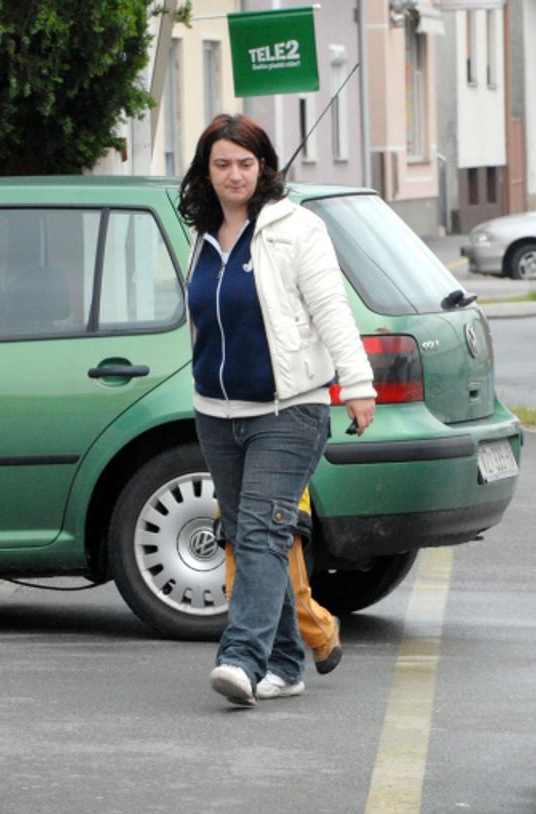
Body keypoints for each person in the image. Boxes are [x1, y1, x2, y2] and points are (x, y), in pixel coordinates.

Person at [178, 114, 375, 707]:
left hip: (289, 409)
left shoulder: (297, 229)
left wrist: (357, 383)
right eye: (222, 164)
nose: (234, 174)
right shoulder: (205, 233)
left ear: (263, 167)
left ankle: (241, 657)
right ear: (205, 171)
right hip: (216, 412)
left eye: (246, 162)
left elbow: (332, 311)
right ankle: (287, 663)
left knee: (262, 535)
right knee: (245, 536)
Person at [221, 489, 342, 676]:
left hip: (281, 507)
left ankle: (321, 632)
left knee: (293, 593)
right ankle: (247, 661)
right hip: (235, 509)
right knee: (236, 589)